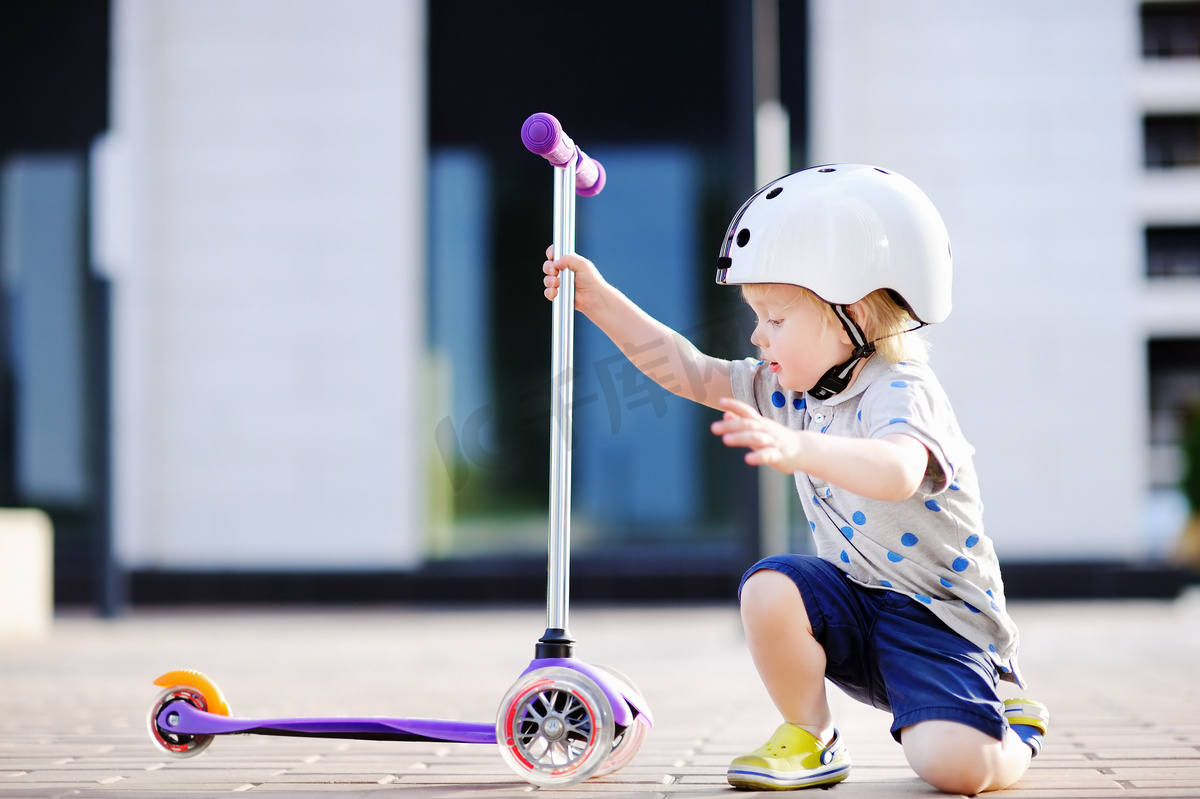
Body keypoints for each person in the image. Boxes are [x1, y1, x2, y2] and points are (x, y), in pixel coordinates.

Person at [542, 164, 1048, 794]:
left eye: (775, 319)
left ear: (852, 315)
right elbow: (689, 371)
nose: (758, 335)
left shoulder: (901, 389)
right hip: (858, 605)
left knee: (957, 771)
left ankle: (1013, 725)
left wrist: (796, 446)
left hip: (941, 625)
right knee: (771, 586)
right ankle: (812, 737)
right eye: (756, 316)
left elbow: (897, 470)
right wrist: (597, 298)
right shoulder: (788, 388)